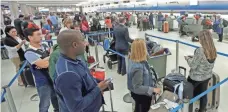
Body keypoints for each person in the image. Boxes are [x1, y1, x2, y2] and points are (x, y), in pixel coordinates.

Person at [54, 30, 109, 112]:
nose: (86, 43)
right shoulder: (67, 74)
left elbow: (84, 79)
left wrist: (98, 84)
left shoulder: (75, 59)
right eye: (83, 40)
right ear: (75, 45)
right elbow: (76, 107)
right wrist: (98, 89)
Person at [23, 28, 59, 112]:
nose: (41, 36)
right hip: (42, 81)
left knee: (56, 99)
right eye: (38, 34)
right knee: (44, 104)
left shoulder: (45, 45)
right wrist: (51, 58)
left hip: (53, 77)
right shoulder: (29, 53)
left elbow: (51, 60)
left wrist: (45, 60)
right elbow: (45, 64)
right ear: (30, 37)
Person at [185, 30, 217, 112]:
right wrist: (194, 57)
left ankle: (189, 109)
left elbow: (193, 65)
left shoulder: (199, 50)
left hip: (195, 78)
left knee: (189, 95)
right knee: (203, 94)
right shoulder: (213, 49)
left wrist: (188, 58)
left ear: (202, 39)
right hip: (207, 76)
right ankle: (202, 110)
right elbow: (205, 59)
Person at [128, 38, 161, 112]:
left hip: (140, 94)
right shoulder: (137, 67)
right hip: (142, 96)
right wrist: (153, 89)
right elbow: (137, 87)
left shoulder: (135, 59)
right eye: (144, 47)